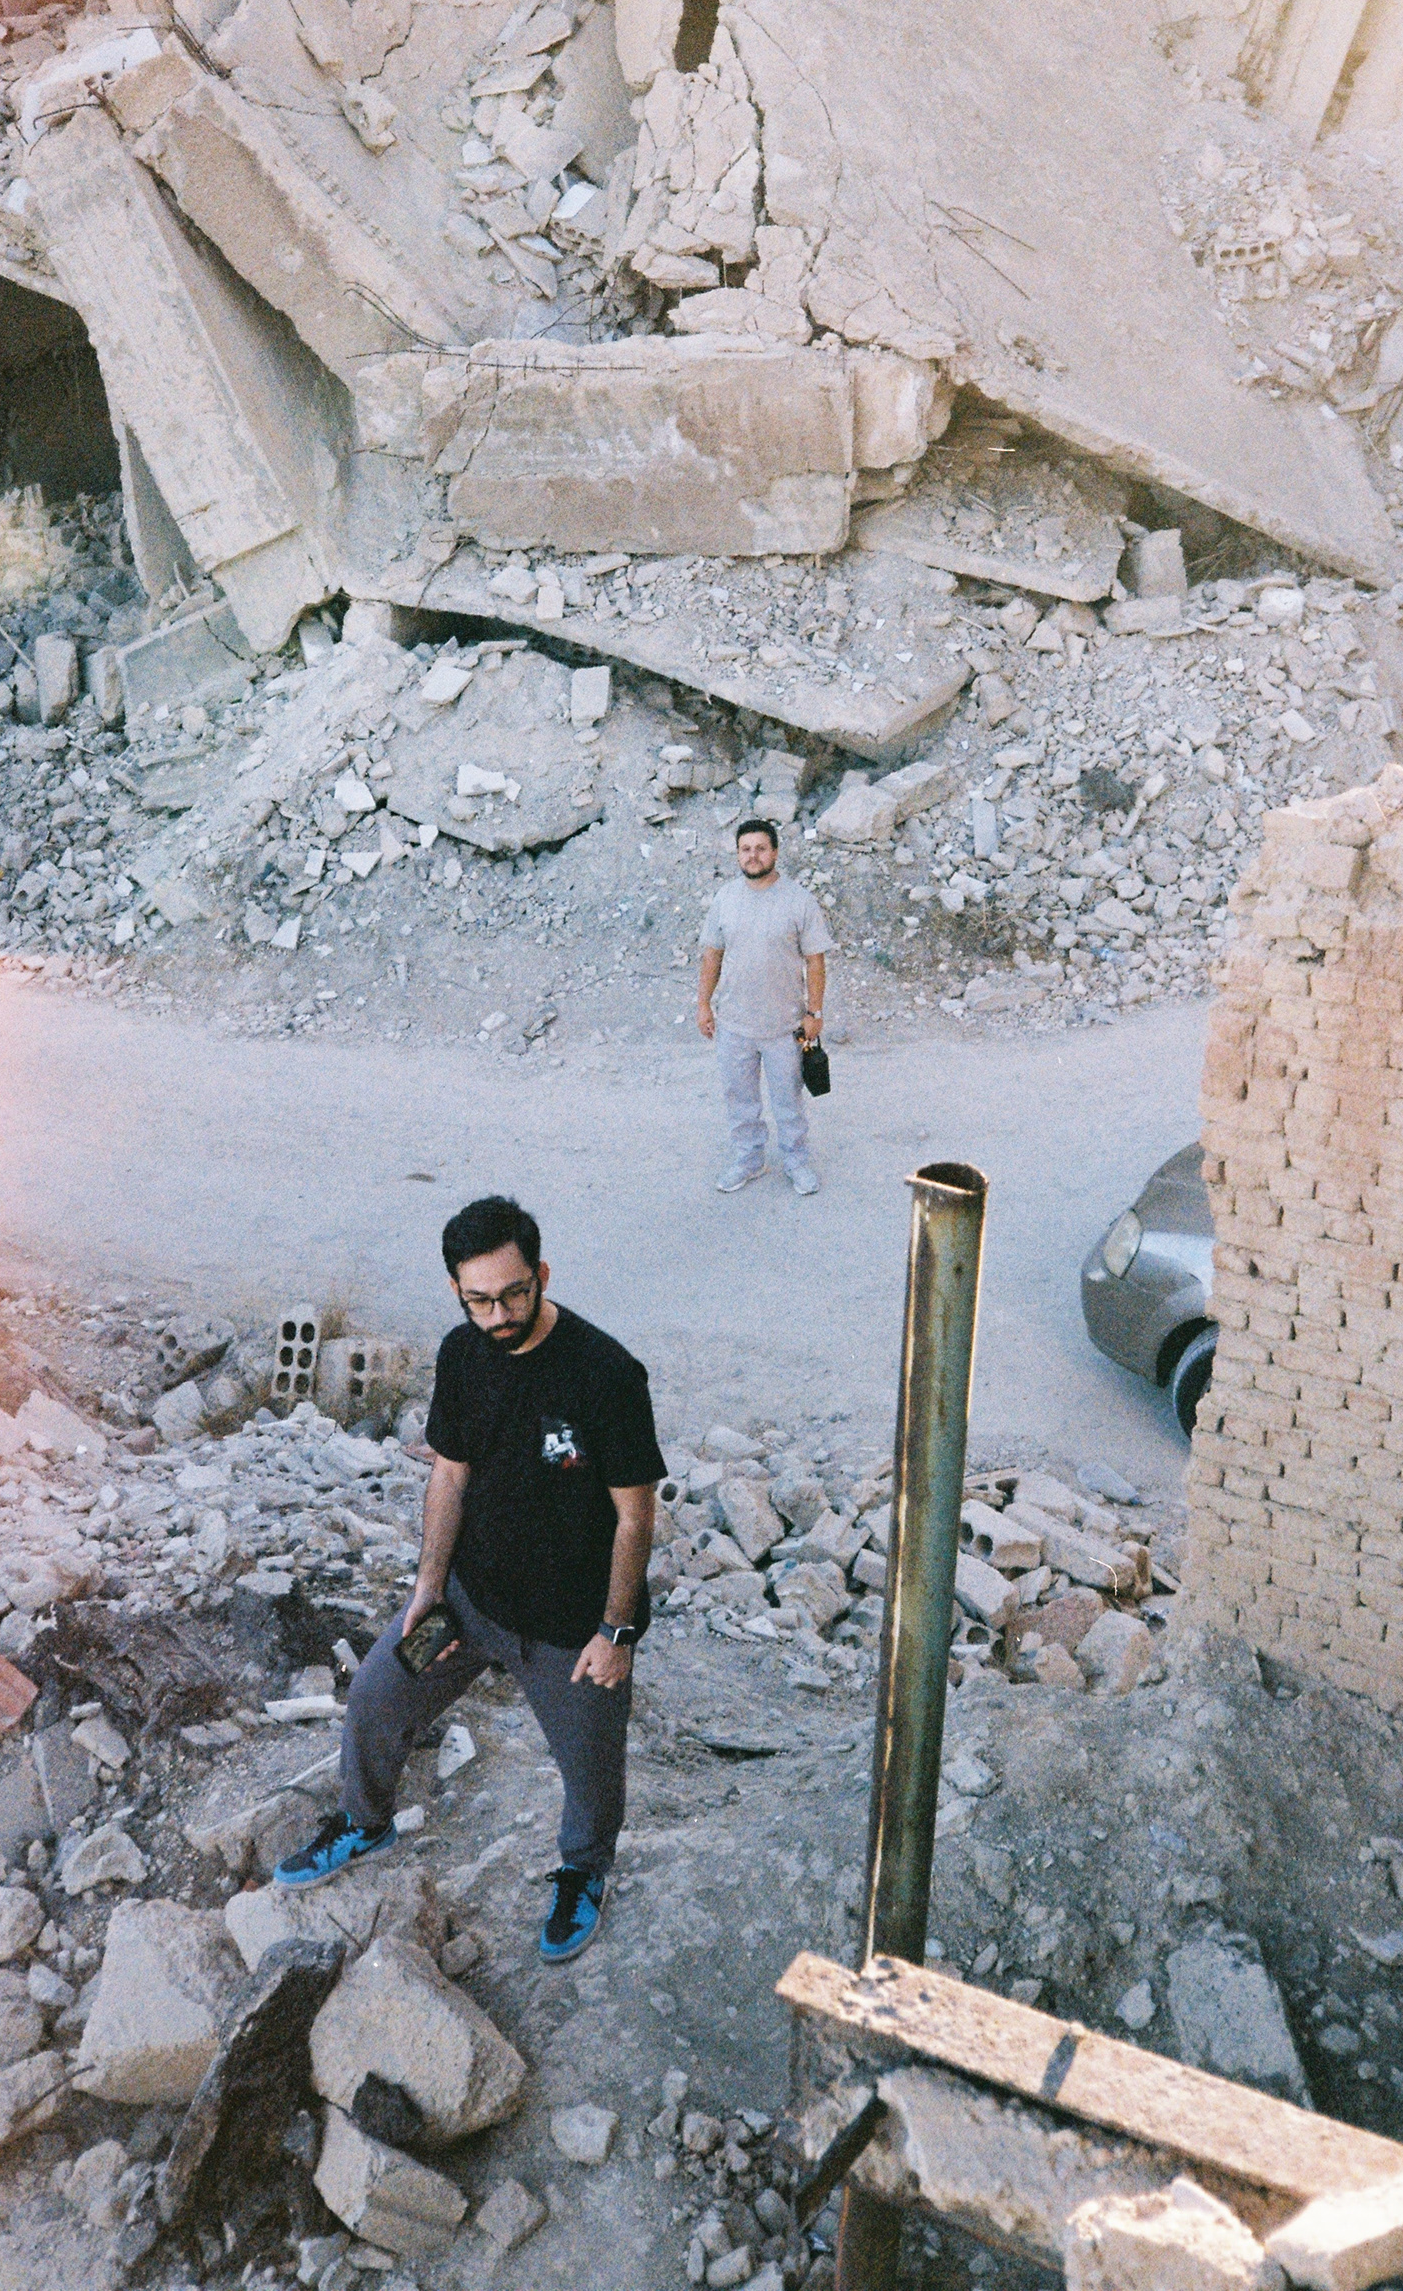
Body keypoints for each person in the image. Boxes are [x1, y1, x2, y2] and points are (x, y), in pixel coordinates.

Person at [274, 1195, 665, 1966]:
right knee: (377, 1694)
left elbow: (634, 1517)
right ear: (457, 1289)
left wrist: (616, 1632)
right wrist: (429, 1586)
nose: (500, 1314)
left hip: (571, 1630)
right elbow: (449, 1475)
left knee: (591, 1774)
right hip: (468, 1601)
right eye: (480, 1299)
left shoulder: (606, 1374)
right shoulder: (462, 1353)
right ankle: (364, 1821)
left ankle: (584, 1871)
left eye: (514, 1293)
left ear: (542, 1273)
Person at [696, 815, 833, 1197]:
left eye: (760, 848)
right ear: (737, 854)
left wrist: (815, 1013)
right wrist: (703, 1004)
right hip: (734, 1025)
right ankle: (749, 1160)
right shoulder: (725, 899)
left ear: (774, 852)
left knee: (788, 1102)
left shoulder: (799, 900)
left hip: (784, 1027)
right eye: (745, 849)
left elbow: (815, 961)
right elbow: (712, 956)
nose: (752, 855)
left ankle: (796, 1162)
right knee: (740, 1101)